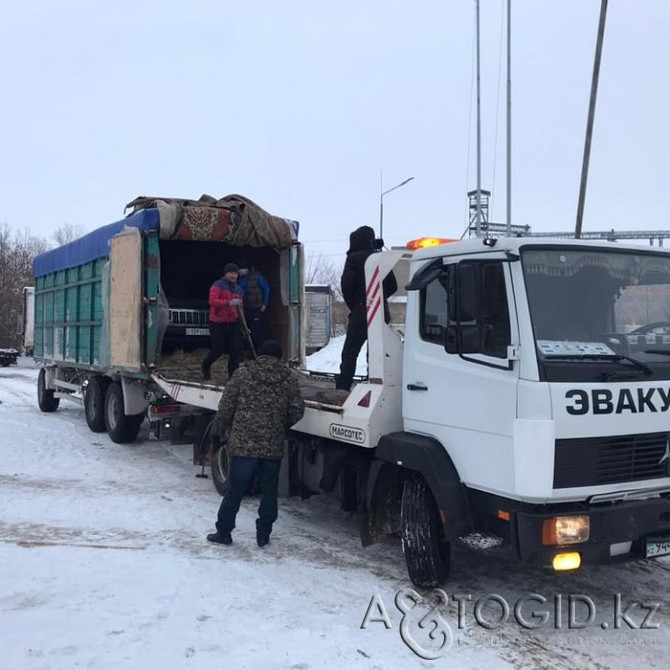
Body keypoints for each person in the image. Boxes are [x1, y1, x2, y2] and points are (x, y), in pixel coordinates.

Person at [206, 340, 305, 548]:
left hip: (243, 445)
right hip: (272, 446)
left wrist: (216, 432)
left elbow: (226, 407)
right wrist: (280, 425)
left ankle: (224, 531)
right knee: (269, 491)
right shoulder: (288, 378)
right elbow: (297, 409)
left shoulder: (243, 374)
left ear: (258, 355)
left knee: (235, 490)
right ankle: (263, 535)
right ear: (279, 357)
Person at [336, 225, 397, 393]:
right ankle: (375, 384)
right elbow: (393, 285)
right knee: (376, 352)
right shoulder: (380, 257)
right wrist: (379, 299)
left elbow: (347, 285)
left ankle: (343, 388)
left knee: (350, 353)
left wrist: (355, 305)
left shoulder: (354, 258)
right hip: (380, 313)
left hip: (361, 312)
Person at [201, 263, 244, 380]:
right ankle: (206, 364)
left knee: (235, 351)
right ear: (225, 274)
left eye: (235, 273)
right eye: (231, 272)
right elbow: (212, 301)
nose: (233, 275)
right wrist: (228, 303)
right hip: (218, 323)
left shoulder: (238, 289)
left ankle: (232, 377)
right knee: (218, 349)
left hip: (233, 322)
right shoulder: (218, 285)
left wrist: (243, 323)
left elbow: (240, 307)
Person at [238, 265, 271, 351]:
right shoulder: (237, 279)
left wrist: (264, 304)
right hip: (242, 308)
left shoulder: (257, 277)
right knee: (242, 332)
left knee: (255, 331)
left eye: (241, 269)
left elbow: (266, 288)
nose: (239, 271)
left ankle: (257, 351)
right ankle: (244, 351)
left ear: (246, 269)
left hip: (255, 308)